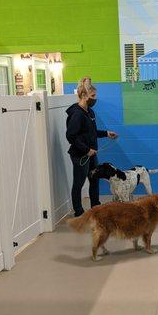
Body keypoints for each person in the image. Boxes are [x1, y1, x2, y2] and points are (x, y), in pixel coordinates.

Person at [66, 77, 118, 217]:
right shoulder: (76, 114)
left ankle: (95, 207)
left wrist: (106, 133)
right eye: (93, 96)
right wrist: (86, 150)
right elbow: (71, 136)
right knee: (79, 182)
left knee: (94, 180)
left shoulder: (90, 112)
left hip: (91, 154)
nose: (95, 99)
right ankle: (79, 212)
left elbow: (92, 132)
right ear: (84, 95)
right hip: (80, 155)